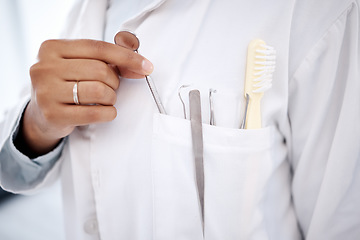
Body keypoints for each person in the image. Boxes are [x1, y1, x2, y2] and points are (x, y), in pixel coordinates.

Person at [1, 0, 359, 239]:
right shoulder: (88, 8)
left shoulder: (318, 13)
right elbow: (12, 162)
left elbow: (343, 222)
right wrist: (36, 127)